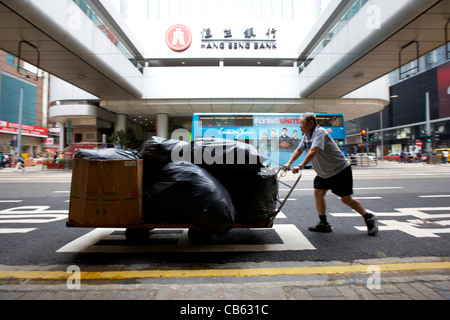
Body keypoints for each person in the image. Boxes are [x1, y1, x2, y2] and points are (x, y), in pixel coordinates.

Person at [283, 113, 378, 236]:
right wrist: (288, 163)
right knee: (318, 192)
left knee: (346, 199)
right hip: (324, 173)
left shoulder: (319, 132)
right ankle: (323, 223)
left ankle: (368, 217)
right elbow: (299, 150)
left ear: (311, 123)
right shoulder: (306, 136)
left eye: (302, 122)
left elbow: (314, 150)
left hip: (339, 170)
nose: (299, 125)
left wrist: (301, 166)